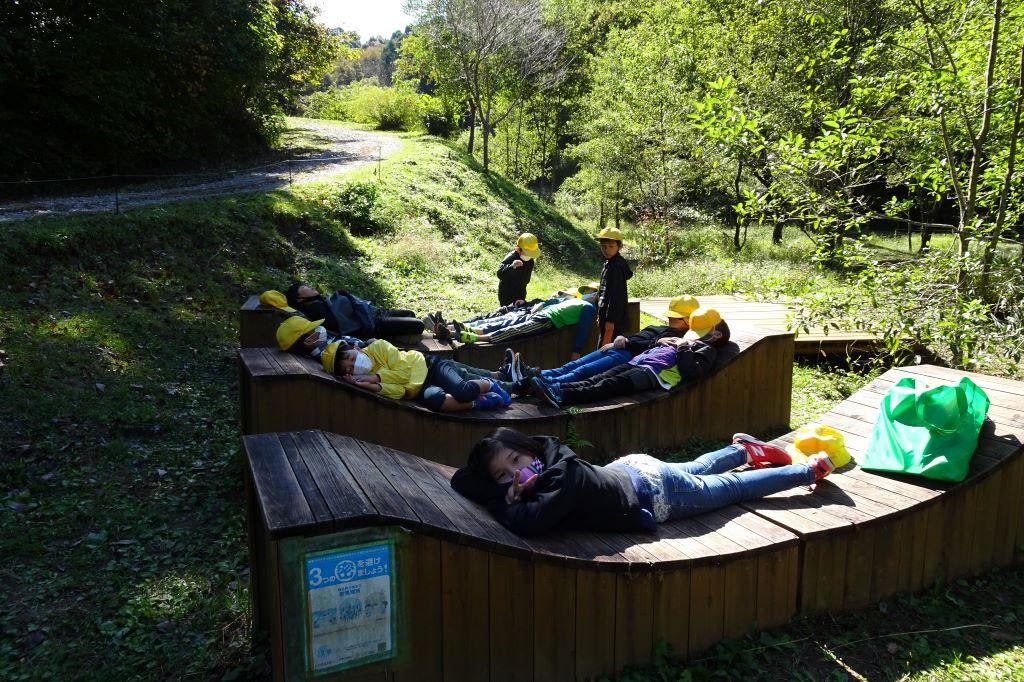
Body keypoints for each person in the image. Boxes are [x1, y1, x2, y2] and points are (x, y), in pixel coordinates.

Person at [449, 427, 835, 536]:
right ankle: (742, 451)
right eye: (503, 473)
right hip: (632, 468)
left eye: (517, 461)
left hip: (657, 492)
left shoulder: (563, 479)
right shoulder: (551, 457)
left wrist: (502, 499)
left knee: (732, 489)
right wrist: (504, 486)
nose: (514, 474)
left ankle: (808, 470)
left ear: (532, 451)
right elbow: (463, 479)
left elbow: (528, 524)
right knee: (697, 466)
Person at [531, 307, 727, 407]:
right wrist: (659, 343)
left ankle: (562, 395)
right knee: (597, 378)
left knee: (606, 386)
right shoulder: (689, 340)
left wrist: (684, 347)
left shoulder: (707, 350)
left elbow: (692, 371)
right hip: (638, 362)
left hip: (652, 375)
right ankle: (556, 388)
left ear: (716, 335)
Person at [527, 295, 700, 386]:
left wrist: (626, 342)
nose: (672, 320)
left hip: (625, 354)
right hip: (616, 347)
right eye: (671, 317)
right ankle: (532, 375)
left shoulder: (677, 338)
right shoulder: (664, 328)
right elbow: (644, 338)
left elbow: (651, 345)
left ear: (688, 320)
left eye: (676, 318)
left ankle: (542, 383)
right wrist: (621, 339)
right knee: (572, 366)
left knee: (582, 371)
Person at [321, 339, 524, 412]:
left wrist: (375, 378)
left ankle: (490, 384)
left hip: (428, 366)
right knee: (437, 401)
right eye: (347, 368)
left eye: (348, 356)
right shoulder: (365, 377)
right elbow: (400, 390)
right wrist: (369, 386)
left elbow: (403, 372)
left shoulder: (379, 346)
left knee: (462, 390)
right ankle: (486, 401)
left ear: (355, 347)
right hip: (418, 388)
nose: (352, 364)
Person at [452, 289, 599, 361]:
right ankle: (472, 332)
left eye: (594, 293)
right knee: (511, 328)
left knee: (512, 328)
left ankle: (474, 336)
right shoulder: (583, 304)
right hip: (545, 319)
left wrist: (576, 350)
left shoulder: (585, 306)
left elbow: (583, 327)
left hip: (545, 319)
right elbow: (583, 328)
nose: (590, 294)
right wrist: (577, 350)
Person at [285, 283, 425, 340]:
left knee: (410, 313)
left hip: (375, 313)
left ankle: (405, 333)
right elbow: (338, 325)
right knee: (419, 325)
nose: (309, 286)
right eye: (304, 287)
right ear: (299, 299)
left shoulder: (319, 303)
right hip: (375, 324)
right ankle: (404, 335)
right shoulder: (315, 309)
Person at [594, 227, 633, 348]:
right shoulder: (610, 263)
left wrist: (610, 320)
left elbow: (616, 295)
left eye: (611, 246)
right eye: (603, 246)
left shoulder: (616, 266)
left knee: (604, 351)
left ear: (620, 246)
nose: (606, 250)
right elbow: (605, 291)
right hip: (605, 314)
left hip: (612, 319)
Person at [275, 316, 367, 360]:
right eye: (314, 328)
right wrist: (368, 343)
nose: (319, 328)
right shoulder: (331, 352)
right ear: (309, 341)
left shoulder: (325, 344)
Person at [497, 233, 540, 306]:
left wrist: (521, 296)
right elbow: (500, 274)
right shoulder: (512, 257)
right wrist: (512, 266)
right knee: (507, 312)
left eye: (531, 254)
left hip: (520, 293)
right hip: (506, 293)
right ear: (518, 249)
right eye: (527, 253)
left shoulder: (530, 261)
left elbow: (526, 280)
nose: (529, 256)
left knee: (519, 312)